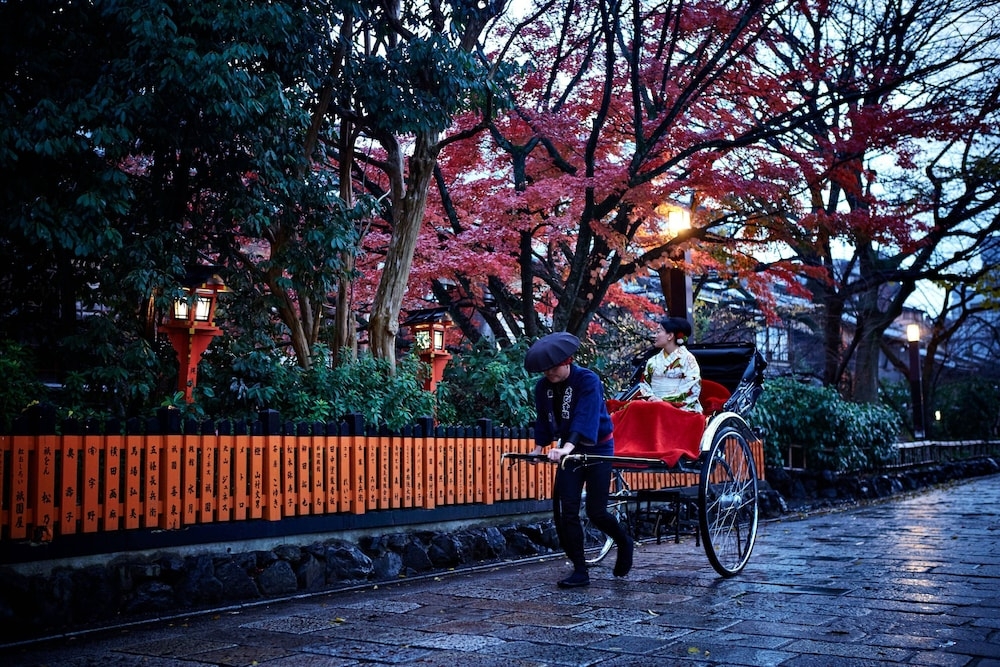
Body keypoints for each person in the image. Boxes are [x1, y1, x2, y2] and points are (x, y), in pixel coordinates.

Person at [524, 331, 634, 588]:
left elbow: (586, 416)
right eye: (545, 370)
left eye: (553, 368)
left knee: (596, 512)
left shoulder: (588, 380)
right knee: (567, 511)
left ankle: (624, 541)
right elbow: (543, 419)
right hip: (569, 452)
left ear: (568, 360)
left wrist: (567, 447)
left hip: (598, 448)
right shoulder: (543, 387)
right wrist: (539, 448)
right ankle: (580, 569)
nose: (549, 374)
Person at [635, 317, 702, 413]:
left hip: (679, 409)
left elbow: (692, 388)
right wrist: (651, 398)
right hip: (653, 404)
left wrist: (664, 401)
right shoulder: (653, 361)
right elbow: (644, 384)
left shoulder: (688, 359)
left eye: (658, 332)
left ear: (670, 335)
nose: (655, 336)